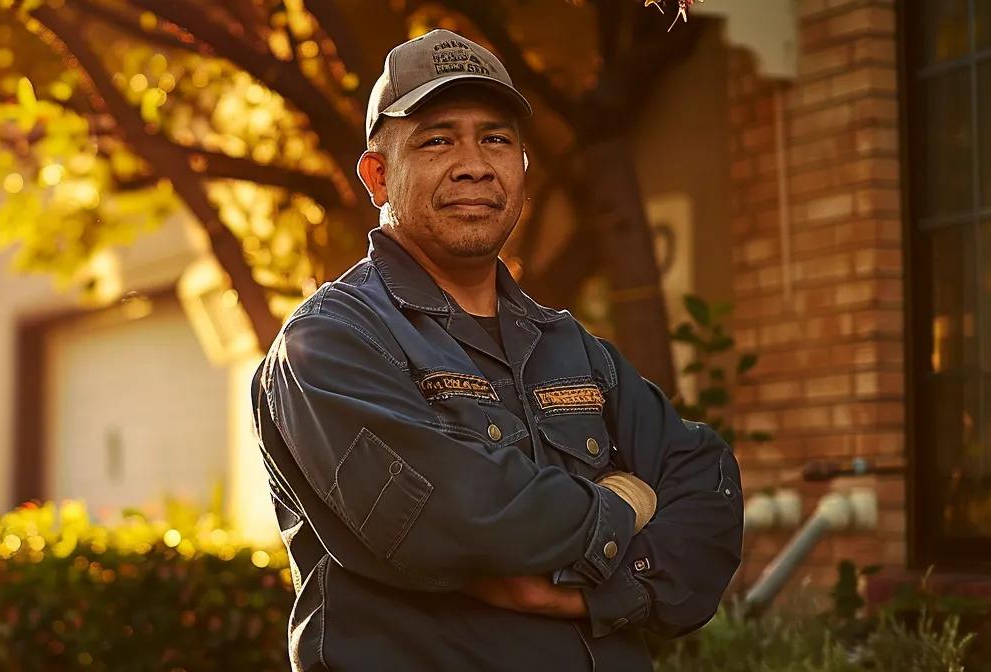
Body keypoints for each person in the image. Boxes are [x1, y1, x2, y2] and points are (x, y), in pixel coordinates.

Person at [250, 28, 744, 671]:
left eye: (496, 138)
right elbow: (454, 516)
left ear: (521, 168)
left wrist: (586, 599)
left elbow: (708, 491)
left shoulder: (574, 349)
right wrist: (624, 504)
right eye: (437, 139)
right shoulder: (331, 344)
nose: (474, 163)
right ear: (377, 175)